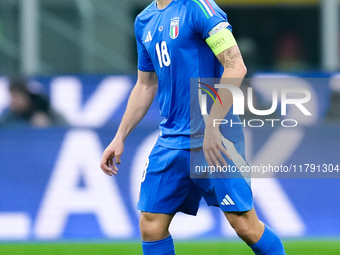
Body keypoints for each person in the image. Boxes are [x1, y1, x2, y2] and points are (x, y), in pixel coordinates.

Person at [100, 0, 286, 254]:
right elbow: (146, 84)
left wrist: (213, 124)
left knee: (244, 224)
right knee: (151, 224)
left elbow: (235, 65)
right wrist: (119, 136)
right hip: (172, 138)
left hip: (216, 135)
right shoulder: (144, 20)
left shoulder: (200, 7)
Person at [0, 76, 68, 128]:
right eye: (12, 96)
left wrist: (48, 124)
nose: (14, 101)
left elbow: (64, 128)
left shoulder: (50, 113)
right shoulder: (8, 116)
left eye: (18, 97)